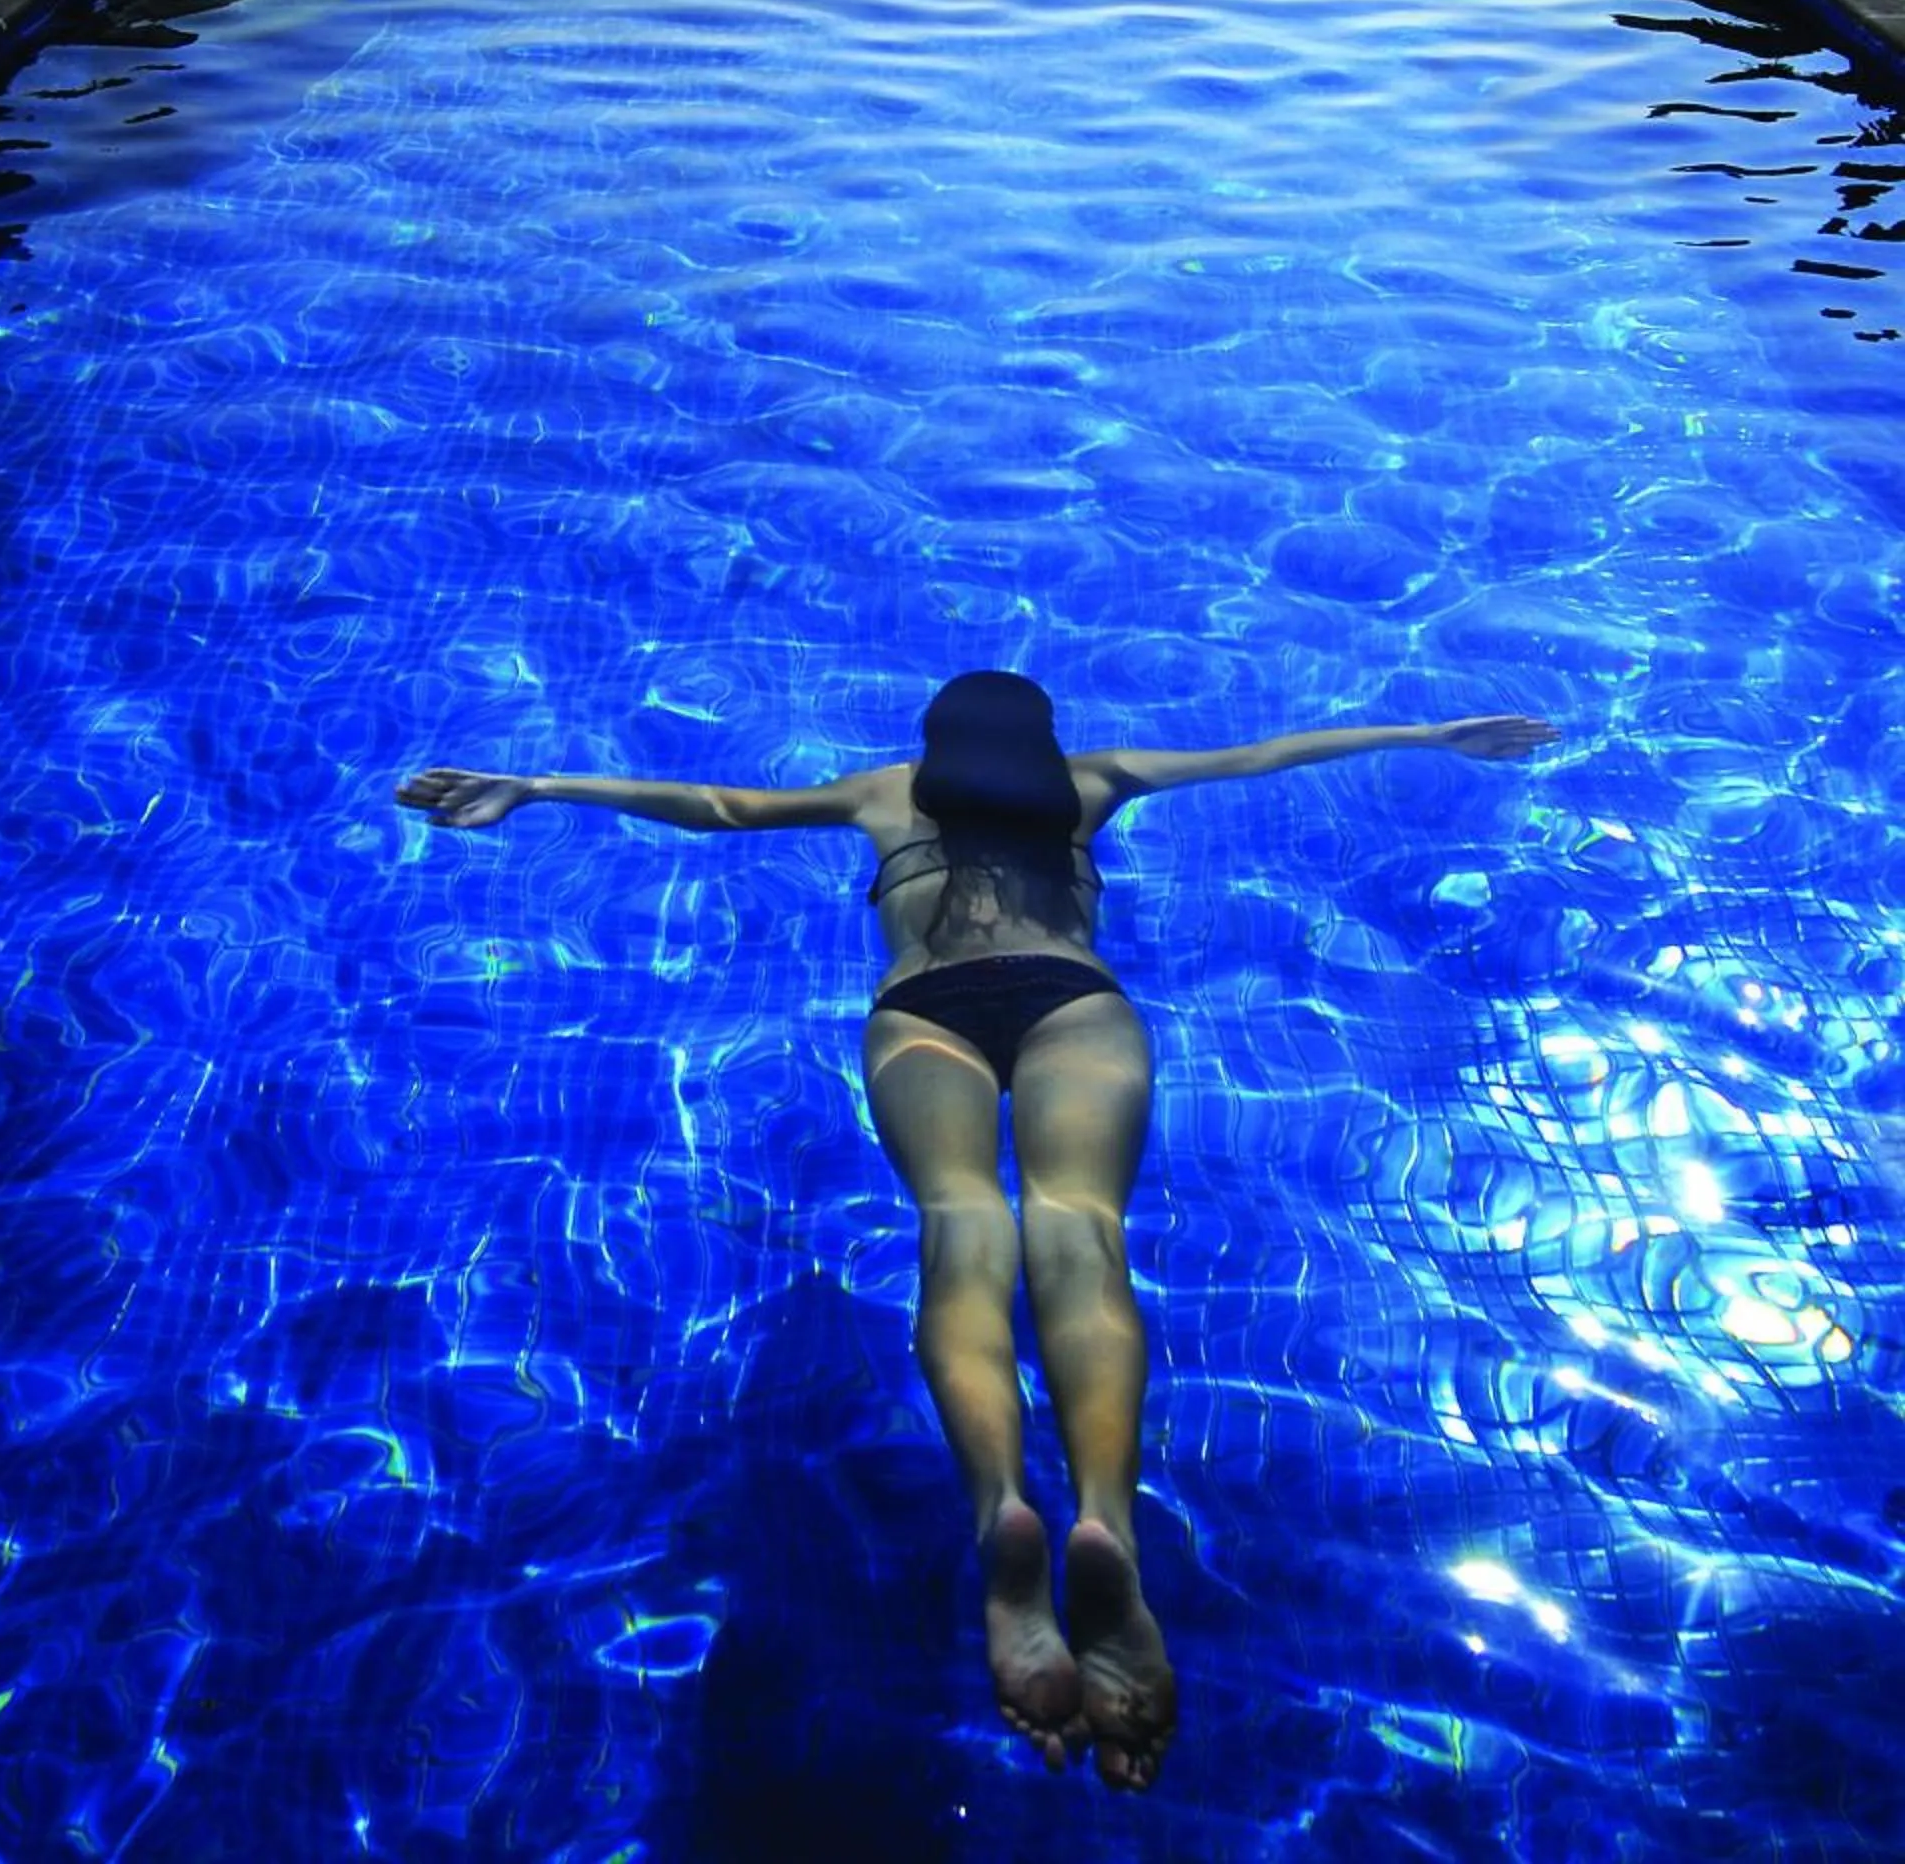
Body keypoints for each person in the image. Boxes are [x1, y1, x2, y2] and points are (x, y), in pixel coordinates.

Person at [398, 674, 1553, 1790]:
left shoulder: (885, 788)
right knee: (1080, 1235)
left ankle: (1000, 1509)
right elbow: (1267, 752)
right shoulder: (1092, 779)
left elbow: (718, 808)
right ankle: (1105, 1524)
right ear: (1037, 741)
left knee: (961, 1229)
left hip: (925, 1012)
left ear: (936, 739)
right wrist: (1435, 732)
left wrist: (535, 783)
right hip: (1070, 1000)